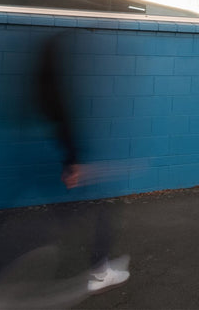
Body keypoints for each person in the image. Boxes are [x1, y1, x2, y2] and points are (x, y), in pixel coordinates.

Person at [37, 31, 130, 294]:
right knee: (99, 207)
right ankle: (99, 272)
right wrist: (73, 159)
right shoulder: (70, 48)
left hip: (60, 143)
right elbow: (59, 106)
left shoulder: (58, 45)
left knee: (91, 208)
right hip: (64, 145)